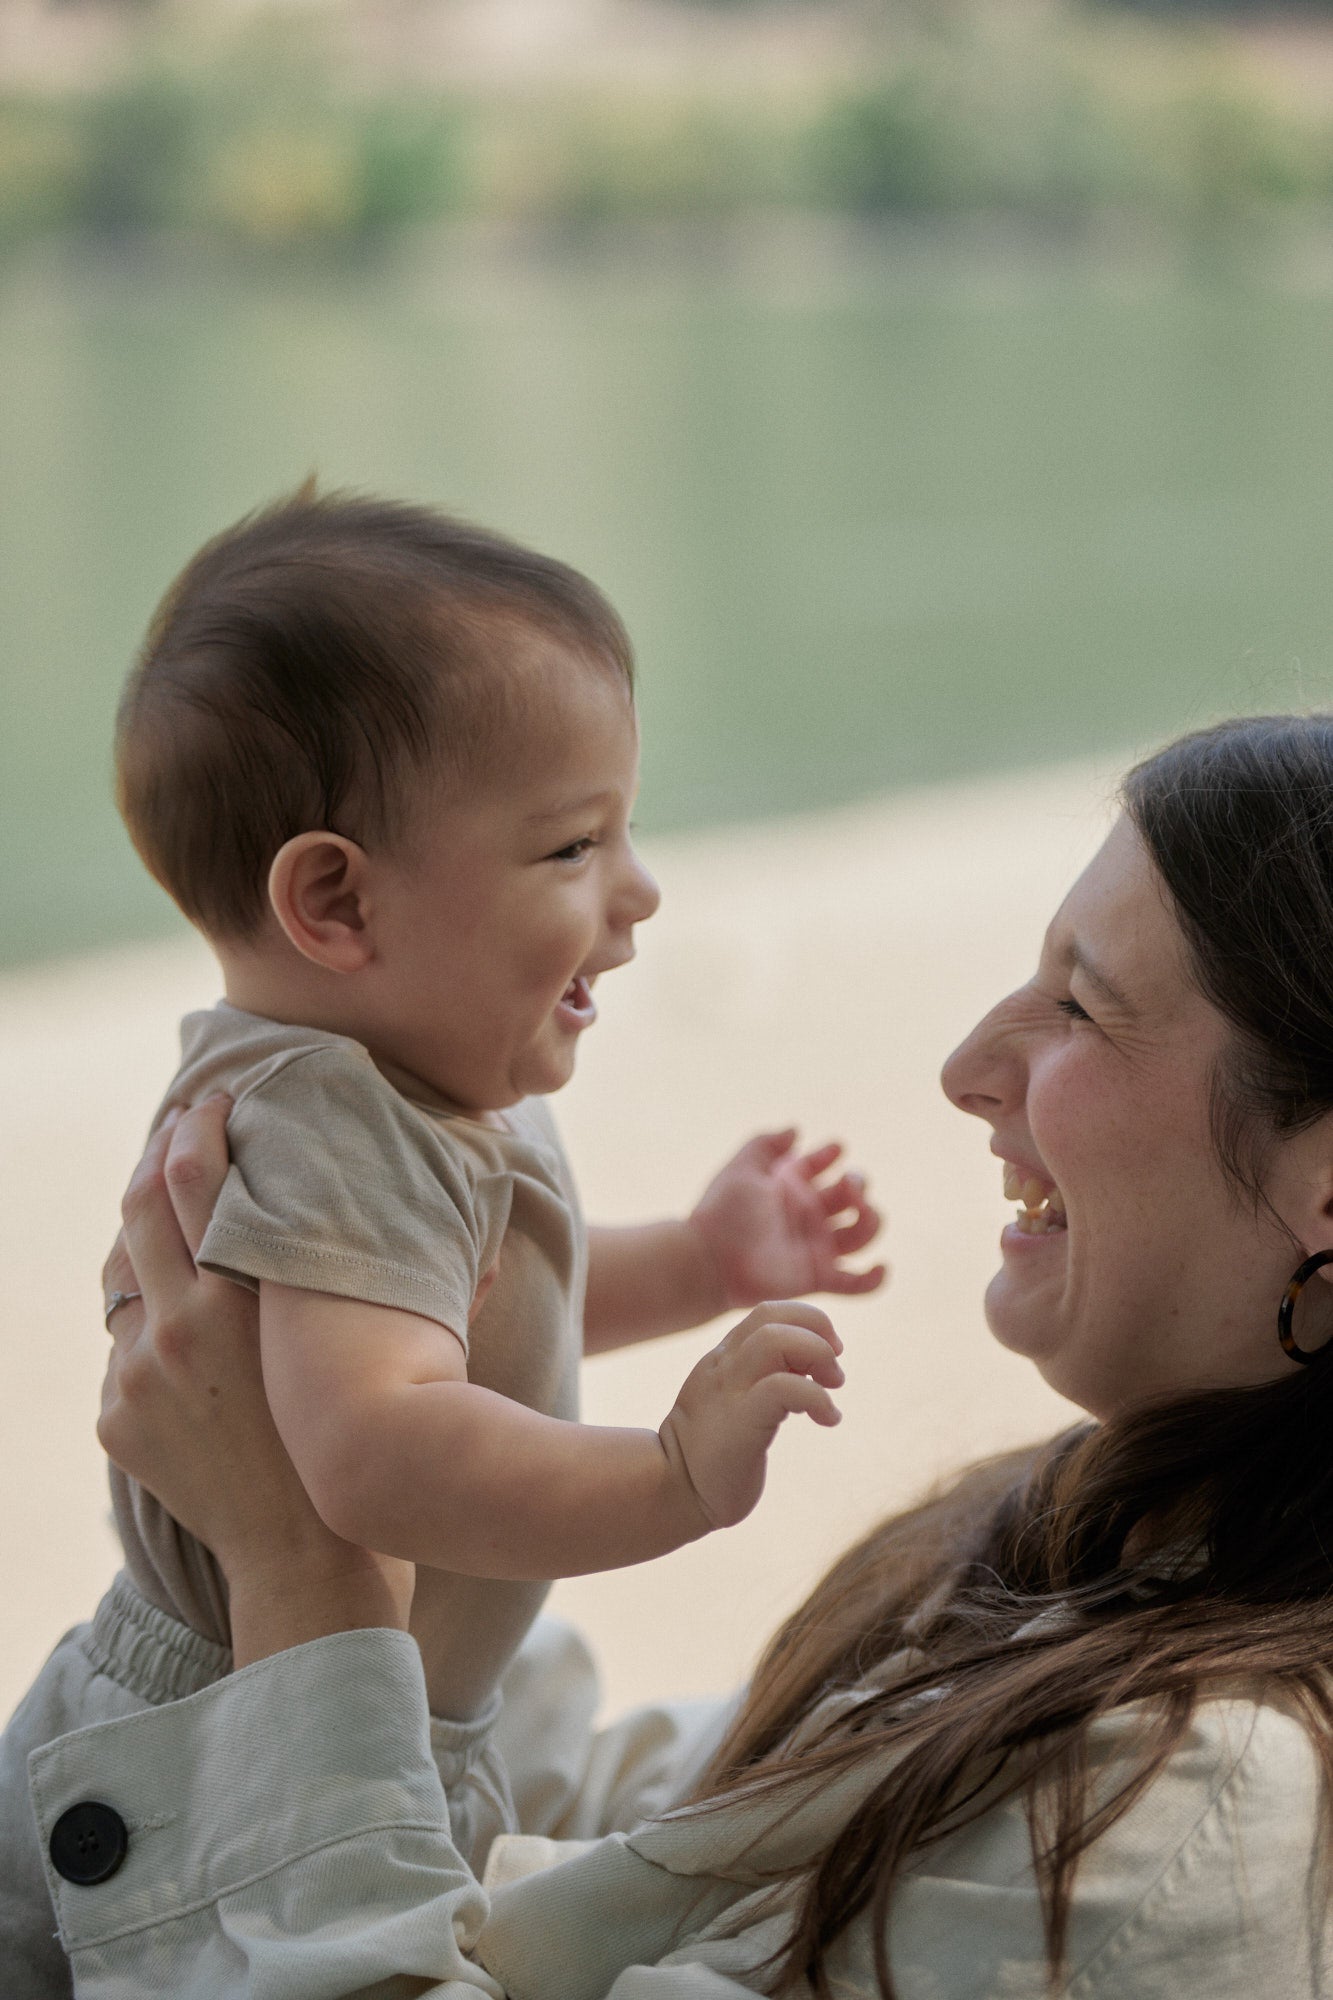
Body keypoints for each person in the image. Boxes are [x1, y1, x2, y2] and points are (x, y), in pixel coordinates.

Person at [26, 711, 1333, 1997]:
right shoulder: (1097, 1553)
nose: (966, 1067)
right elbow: (661, 1847)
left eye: (1080, 1005)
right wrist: (372, 1390)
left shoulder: (1193, 1823)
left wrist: (297, 1568)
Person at [0, 490, 884, 1994]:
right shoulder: (326, 1118)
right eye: (569, 847)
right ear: (336, 899)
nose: (640, 889)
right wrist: (661, 1477)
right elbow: (375, 1448)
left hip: (335, 1704)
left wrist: (703, 1260)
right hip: (218, 1745)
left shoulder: (412, 1086)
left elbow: (480, 1316)